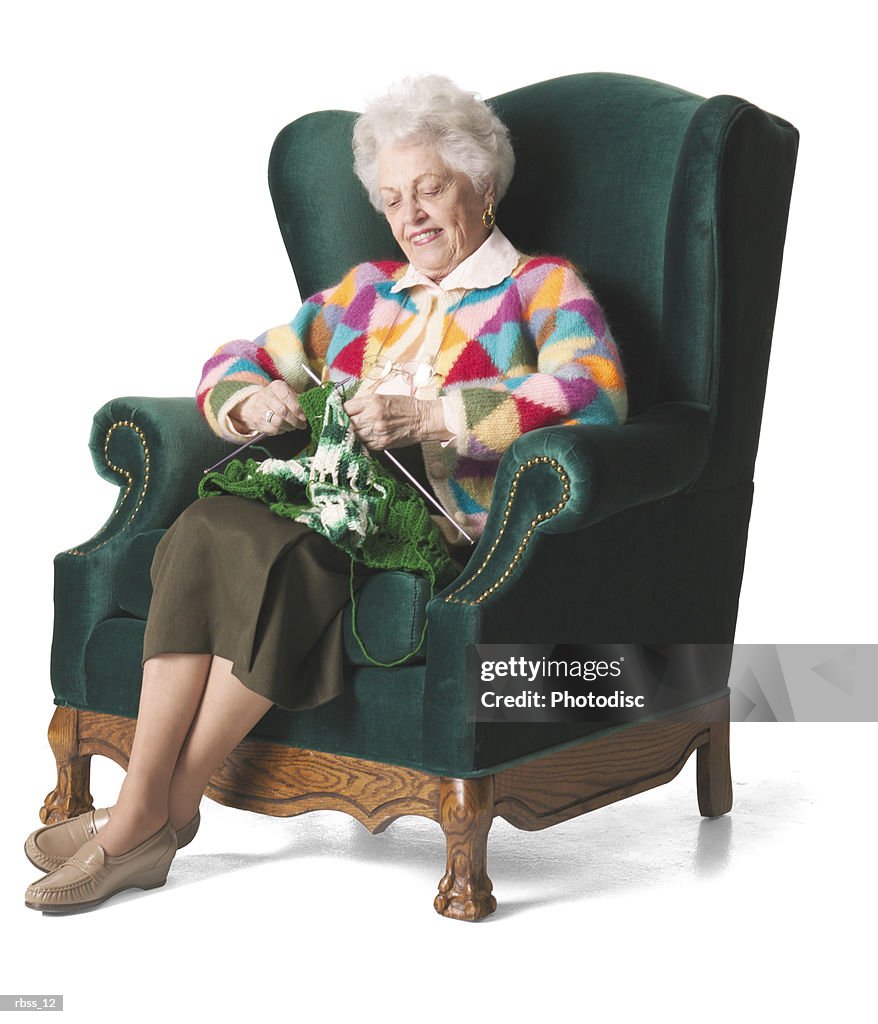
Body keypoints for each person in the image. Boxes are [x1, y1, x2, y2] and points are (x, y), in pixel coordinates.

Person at [24, 75, 627, 913]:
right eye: (391, 200)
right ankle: (161, 813)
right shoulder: (365, 295)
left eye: (430, 189)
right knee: (207, 526)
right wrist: (251, 400)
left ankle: (135, 819)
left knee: (292, 554)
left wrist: (433, 413)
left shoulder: (541, 288)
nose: (411, 216)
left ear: (480, 185)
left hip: (433, 516)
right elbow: (236, 358)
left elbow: (592, 394)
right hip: (325, 497)